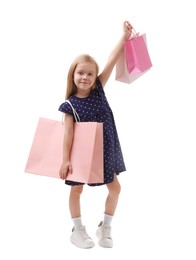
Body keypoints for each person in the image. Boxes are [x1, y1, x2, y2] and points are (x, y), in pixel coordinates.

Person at [58, 20, 132, 249]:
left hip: (105, 148)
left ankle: (105, 226)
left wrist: (125, 37)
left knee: (115, 188)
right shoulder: (68, 106)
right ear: (73, 75)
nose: (86, 77)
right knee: (76, 189)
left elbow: (111, 59)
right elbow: (67, 135)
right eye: (81, 73)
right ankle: (77, 229)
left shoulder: (99, 89)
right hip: (81, 153)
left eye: (90, 74)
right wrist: (65, 160)